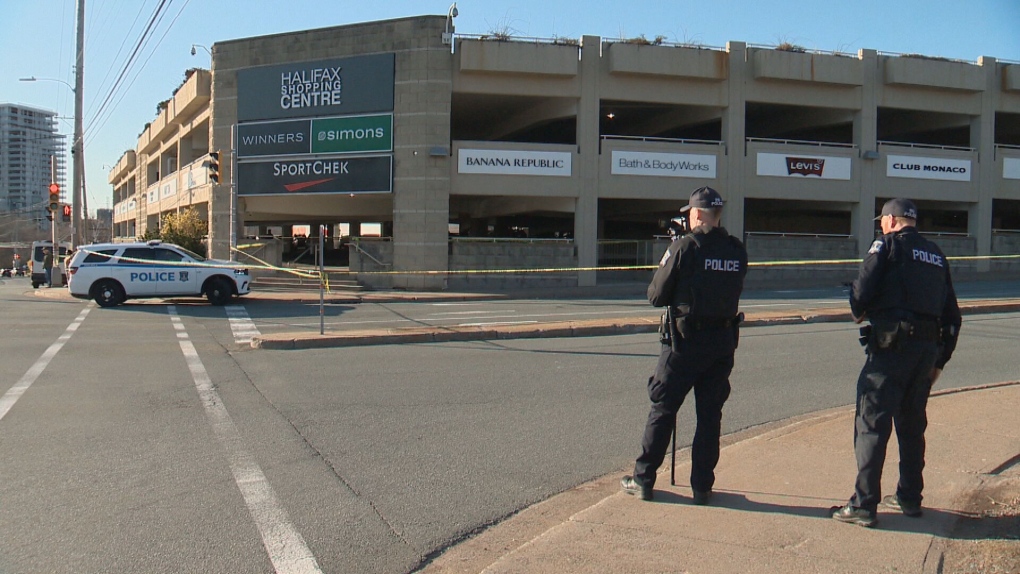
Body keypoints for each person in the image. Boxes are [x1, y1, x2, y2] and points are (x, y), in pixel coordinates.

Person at [831, 198, 962, 527]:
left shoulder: (885, 246)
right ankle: (909, 496)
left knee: (871, 424)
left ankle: (863, 505)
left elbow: (862, 289)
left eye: (882, 221)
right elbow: (953, 318)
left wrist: (857, 310)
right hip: (925, 353)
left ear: (890, 220)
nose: (881, 225)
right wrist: (939, 363)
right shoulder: (936, 255)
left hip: (891, 350)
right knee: (912, 425)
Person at [622, 186, 748, 503]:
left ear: (696, 214)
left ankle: (644, 479)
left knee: (663, 408)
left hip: (685, 343)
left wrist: (673, 252)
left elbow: (656, 295)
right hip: (721, 343)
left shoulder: (685, 247)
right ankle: (702, 486)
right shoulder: (736, 249)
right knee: (710, 416)